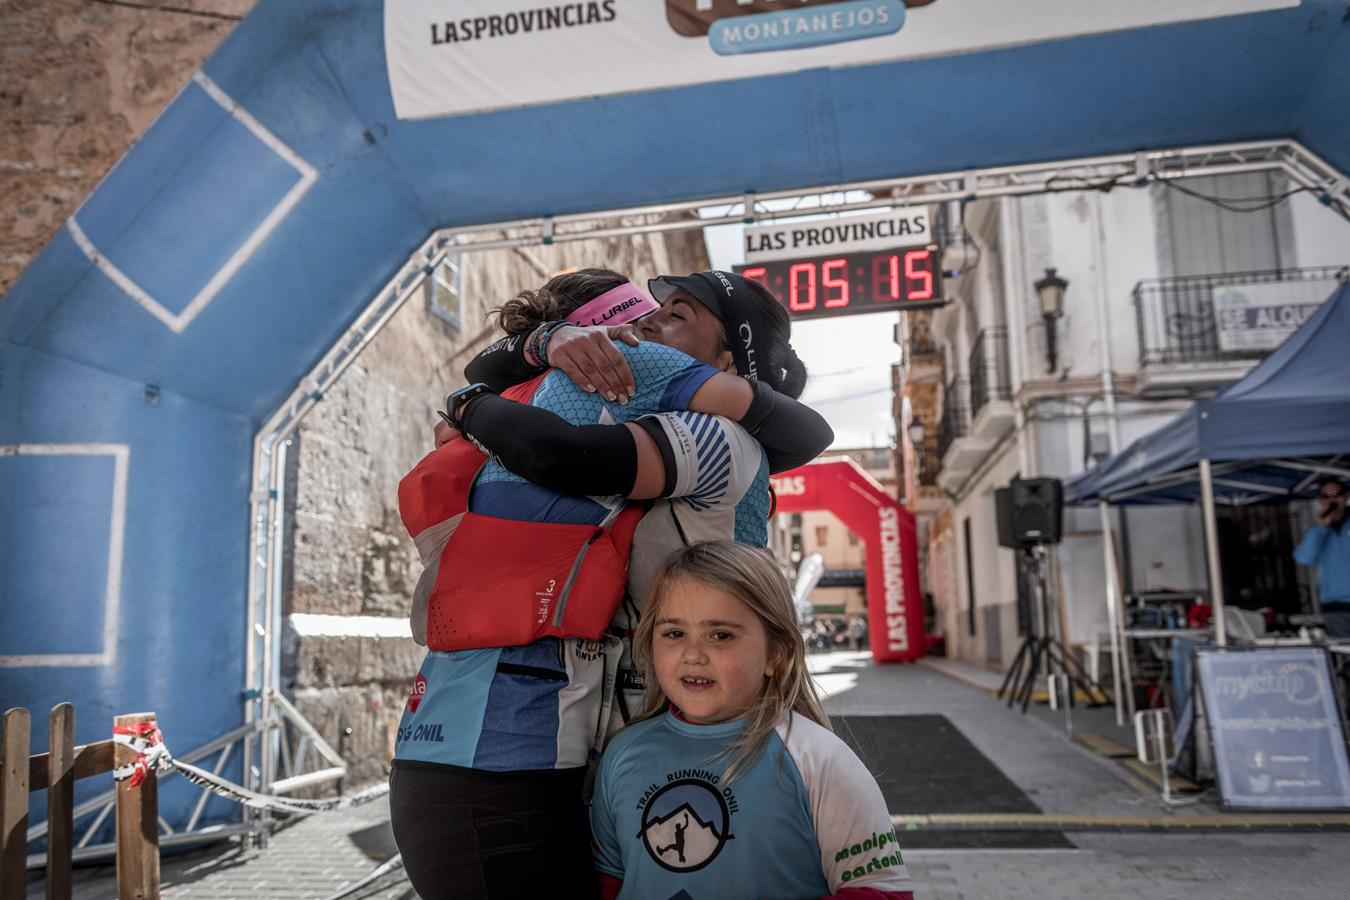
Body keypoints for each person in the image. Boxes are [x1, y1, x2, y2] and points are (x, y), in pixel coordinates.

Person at [390, 269, 831, 899]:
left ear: (728, 364)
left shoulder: (718, 438)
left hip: (664, 742)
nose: (646, 324)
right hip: (513, 753)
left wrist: (471, 406)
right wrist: (538, 349)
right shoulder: (593, 415)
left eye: (677, 314)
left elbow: (561, 454)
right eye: (648, 311)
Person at [590, 541, 914, 899]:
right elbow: (610, 882)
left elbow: (884, 892)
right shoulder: (621, 755)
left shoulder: (820, 761)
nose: (693, 654)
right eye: (674, 633)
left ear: (776, 654)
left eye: (720, 635)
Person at [1294, 477, 1350, 637]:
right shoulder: (1319, 530)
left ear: (1346, 496)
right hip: (1335, 606)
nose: (1331, 500)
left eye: (1336, 494)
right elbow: (1303, 558)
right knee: (1345, 657)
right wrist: (1320, 528)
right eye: (1326, 496)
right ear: (1320, 500)